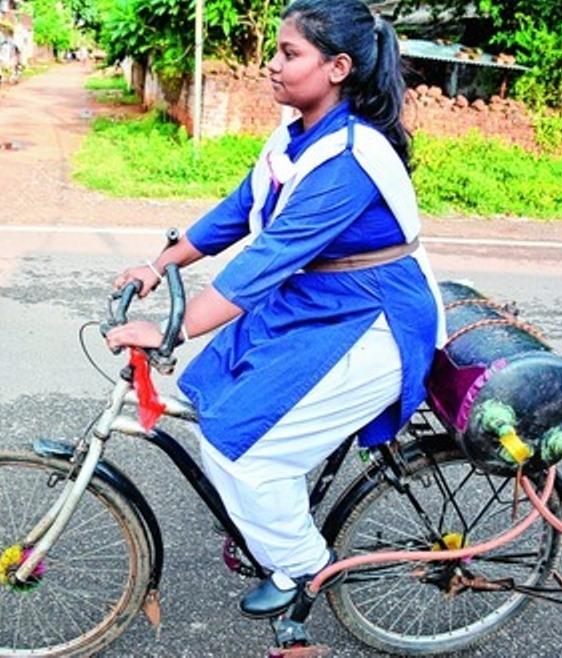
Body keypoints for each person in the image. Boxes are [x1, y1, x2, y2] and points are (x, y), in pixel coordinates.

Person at [106, 0, 445, 619]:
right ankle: (275, 527)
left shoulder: (348, 159)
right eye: (276, 50)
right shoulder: (295, 137)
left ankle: (303, 572)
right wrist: (160, 264)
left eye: (289, 53)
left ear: (338, 67)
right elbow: (239, 212)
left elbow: (265, 260)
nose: (271, 64)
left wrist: (167, 329)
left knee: (248, 452)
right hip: (317, 305)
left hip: (373, 321)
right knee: (214, 401)